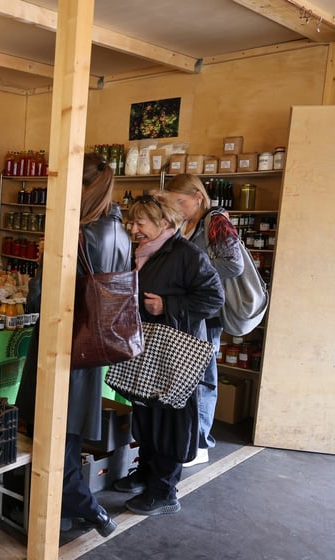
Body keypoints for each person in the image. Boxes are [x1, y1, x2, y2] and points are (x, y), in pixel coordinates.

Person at [15, 152, 131, 536]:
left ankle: (88, 509)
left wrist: (44, 261)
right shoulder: (121, 233)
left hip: (62, 342)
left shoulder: (75, 235)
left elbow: (40, 299)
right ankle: (68, 512)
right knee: (68, 435)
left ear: (82, 187)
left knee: (53, 435)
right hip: (93, 345)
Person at [113, 194, 224, 515]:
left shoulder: (186, 254)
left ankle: (164, 491)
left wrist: (167, 305)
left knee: (170, 419)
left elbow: (213, 298)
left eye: (140, 223)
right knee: (146, 412)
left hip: (174, 351)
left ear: (164, 223)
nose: (133, 229)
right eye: (131, 222)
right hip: (146, 346)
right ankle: (146, 474)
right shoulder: (143, 253)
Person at [164, 174, 243, 467]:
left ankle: (200, 444)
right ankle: (186, 437)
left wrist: (190, 268)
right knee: (188, 376)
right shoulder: (185, 224)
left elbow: (233, 265)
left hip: (208, 313)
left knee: (204, 379)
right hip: (189, 311)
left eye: (180, 201)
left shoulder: (216, 221)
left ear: (199, 196)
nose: (177, 208)